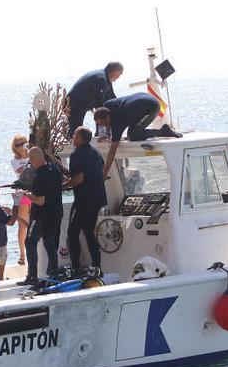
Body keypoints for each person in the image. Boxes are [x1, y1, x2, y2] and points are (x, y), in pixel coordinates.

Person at [94, 93, 181, 177]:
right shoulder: (107, 106)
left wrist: (105, 172)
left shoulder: (118, 122)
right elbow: (109, 124)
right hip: (141, 100)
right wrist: (108, 135)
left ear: (107, 118)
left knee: (133, 136)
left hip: (151, 107)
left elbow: (113, 150)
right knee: (131, 132)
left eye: (103, 124)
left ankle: (163, 131)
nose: (103, 126)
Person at [18, 147, 64, 286]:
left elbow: (40, 200)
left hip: (41, 216)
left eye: (31, 159)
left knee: (30, 242)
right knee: (49, 243)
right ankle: (54, 273)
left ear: (34, 159)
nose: (30, 163)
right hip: (56, 213)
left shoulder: (39, 176)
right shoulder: (55, 169)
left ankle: (32, 276)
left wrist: (25, 195)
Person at [63, 126, 107, 271]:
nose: (73, 138)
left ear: (80, 138)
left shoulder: (76, 155)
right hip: (97, 199)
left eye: (75, 135)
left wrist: (64, 186)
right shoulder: (95, 151)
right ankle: (97, 265)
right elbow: (101, 170)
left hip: (83, 200)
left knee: (72, 234)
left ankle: (75, 267)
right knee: (88, 231)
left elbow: (79, 178)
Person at [67, 62, 124, 136]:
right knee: (76, 130)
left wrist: (122, 107)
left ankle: (100, 134)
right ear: (115, 71)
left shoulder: (106, 78)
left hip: (83, 104)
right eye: (120, 74)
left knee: (102, 113)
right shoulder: (101, 79)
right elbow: (99, 105)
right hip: (75, 104)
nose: (119, 76)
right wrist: (103, 125)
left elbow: (111, 98)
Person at [10, 135, 31, 265]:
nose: (21, 147)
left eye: (23, 143)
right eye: (17, 145)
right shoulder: (15, 161)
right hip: (22, 194)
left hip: (34, 192)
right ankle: (22, 254)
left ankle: (33, 252)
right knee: (22, 224)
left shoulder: (33, 154)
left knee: (34, 222)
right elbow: (23, 172)